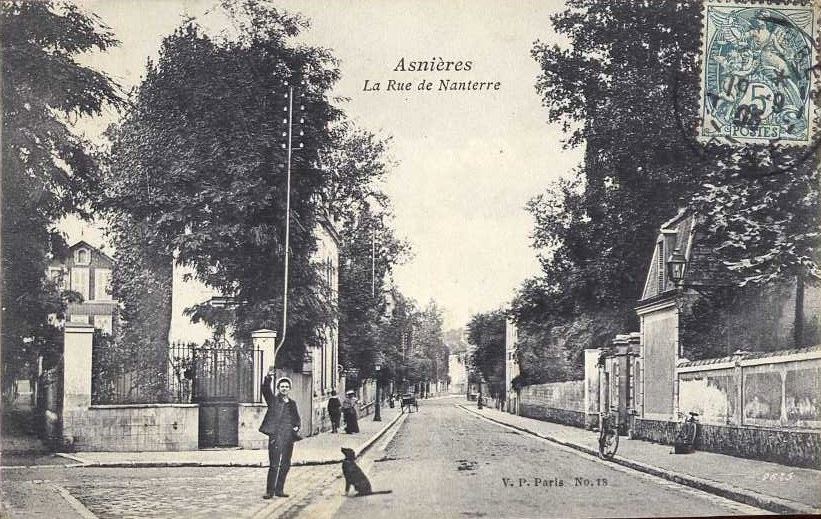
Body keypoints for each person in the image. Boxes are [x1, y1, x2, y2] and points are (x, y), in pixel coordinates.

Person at [259, 371, 300, 499]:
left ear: (289, 389)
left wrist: (297, 426)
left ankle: (279, 490)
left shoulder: (292, 403)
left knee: (286, 464)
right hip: (276, 437)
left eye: (287, 387)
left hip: (288, 437)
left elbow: (297, 418)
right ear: (278, 388)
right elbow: (265, 390)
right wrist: (268, 378)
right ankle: (269, 491)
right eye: (282, 386)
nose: (284, 388)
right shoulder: (273, 401)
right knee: (274, 464)